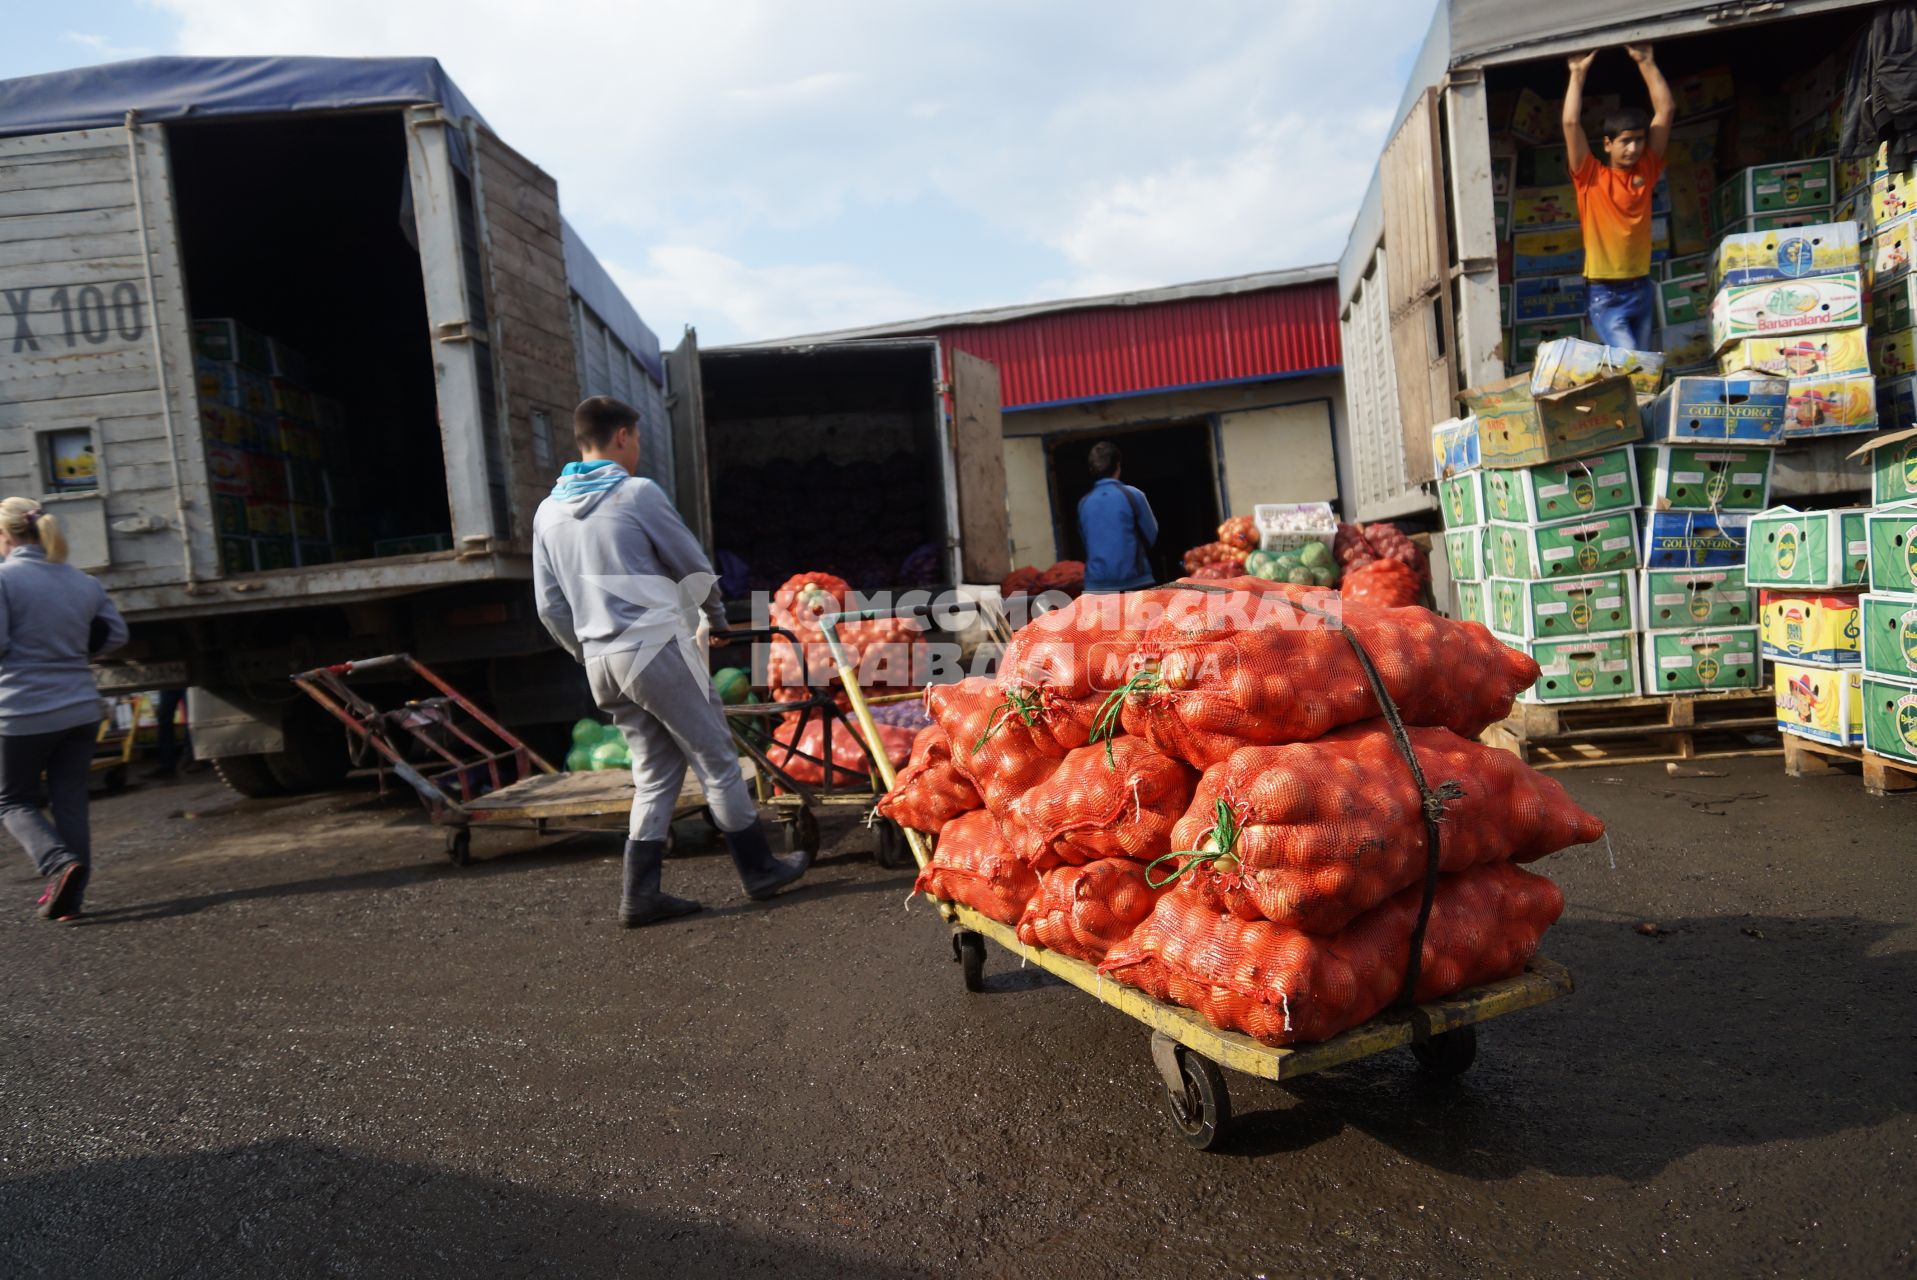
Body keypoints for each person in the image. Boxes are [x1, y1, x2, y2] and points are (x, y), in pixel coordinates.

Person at [532, 396, 809, 927]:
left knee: (656, 773)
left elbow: (549, 605)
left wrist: (586, 650)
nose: (636, 449)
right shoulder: (635, 494)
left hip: (601, 662)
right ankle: (759, 870)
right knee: (716, 758)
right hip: (654, 648)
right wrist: (718, 618)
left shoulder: (548, 512)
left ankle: (641, 896)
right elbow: (692, 563)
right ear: (621, 437)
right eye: (635, 439)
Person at [0, 496, 128, 922]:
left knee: (12, 800)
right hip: (80, 707)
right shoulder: (81, 581)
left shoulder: (4, 580)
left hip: (21, 710)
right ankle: (70, 899)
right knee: (70, 799)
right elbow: (114, 637)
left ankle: (58, 865)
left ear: (4, 536)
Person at [1564, 43, 1675, 352]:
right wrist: (1577, 75)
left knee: (1642, 371)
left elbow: (1665, 111)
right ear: (1607, 144)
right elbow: (1571, 124)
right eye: (1625, 141)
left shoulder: (1647, 170)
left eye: (1639, 140)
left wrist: (1646, 62)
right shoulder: (1590, 177)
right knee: (1631, 360)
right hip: (1604, 292)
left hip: (1641, 285)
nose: (1634, 148)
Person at [1076, 441, 1158, 594]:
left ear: (1091, 470)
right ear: (1118, 466)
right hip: (1134, 583)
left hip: (1096, 588)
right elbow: (1150, 537)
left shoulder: (1084, 503)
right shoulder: (1133, 495)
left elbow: (1087, 544)